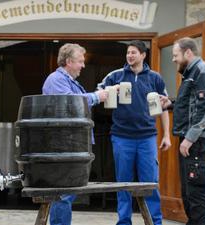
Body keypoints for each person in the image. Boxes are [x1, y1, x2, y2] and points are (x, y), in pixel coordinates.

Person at [96, 40, 171, 225]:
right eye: (128, 52)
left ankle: (155, 221)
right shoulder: (116, 75)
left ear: (143, 55)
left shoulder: (155, 78)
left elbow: (164, 107)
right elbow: (98, 92)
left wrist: (167, 135)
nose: (130, 55)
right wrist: (111, 90)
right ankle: (124, 221)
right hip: (122, 137)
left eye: (134, 52)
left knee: (150, 182)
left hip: (147, 137)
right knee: (123, 182)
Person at [42, 43, 108, 225]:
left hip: (73, 144)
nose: (83, 65)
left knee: (67, 192)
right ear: (69, 61)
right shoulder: (55, 79)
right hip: (63, 145)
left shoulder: (68, 81)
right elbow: (70, 102)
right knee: (63, 194)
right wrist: (96, 96)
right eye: (80, 61)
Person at [160, 37, 205, 225]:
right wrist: (170, 104)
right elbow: (192, 103)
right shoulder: (190, 73)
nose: (173, 59)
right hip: (190, 139)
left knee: (196, 192)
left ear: (188, 53)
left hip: (196, 141)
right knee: (189, 192)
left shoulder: (202, 71)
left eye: (175, 55)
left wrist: (190, 139)